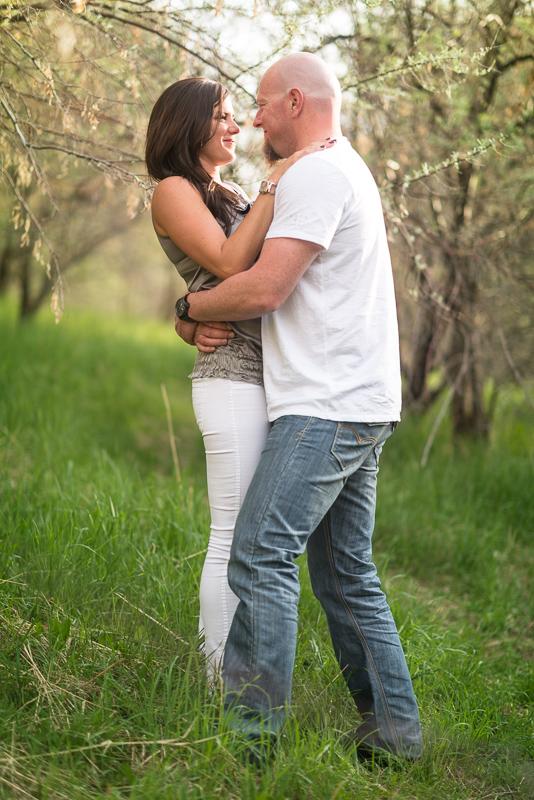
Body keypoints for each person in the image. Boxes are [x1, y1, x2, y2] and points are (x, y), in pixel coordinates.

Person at [174, 53, 423, 761]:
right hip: (363, 399)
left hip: (327, 405)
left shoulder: (314, 174)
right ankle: (396, 738)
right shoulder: (345, 165)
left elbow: (262, 289)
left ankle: (251, 744)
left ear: (292, 101)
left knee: (258, 553)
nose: (250, 119)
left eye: (257, 103)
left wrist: (188, 306)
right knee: (345, 574)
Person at [145, 77, 332, 679]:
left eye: (235, 115)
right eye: (223, 116)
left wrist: (185, 313)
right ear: (188, 123)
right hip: (230, 375)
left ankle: (240, 672)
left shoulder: (219, 190)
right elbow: (227, 265)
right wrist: (275, 187)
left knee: (252, 534)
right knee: (231, 532)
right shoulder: (172, 189)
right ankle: (215, 681)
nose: (235, 126)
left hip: (265, 373)